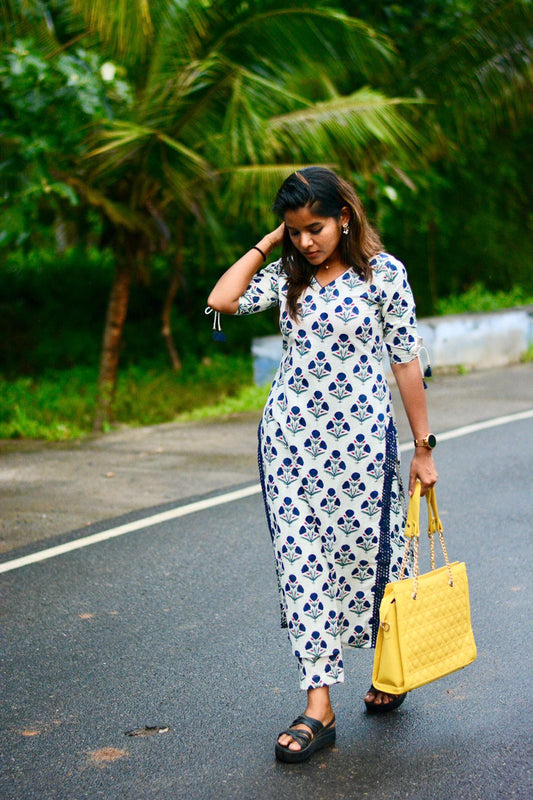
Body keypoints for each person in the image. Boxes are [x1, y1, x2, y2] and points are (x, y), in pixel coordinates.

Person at [207, 166, 438, 763]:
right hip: (288, 448)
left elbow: (406, 362)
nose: (306, 241)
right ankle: (319, 707)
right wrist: (268, 243)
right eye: (295, 231)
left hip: (362, 451)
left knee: (376, 557)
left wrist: (423, 447)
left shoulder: (383, 276)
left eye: (315, 227)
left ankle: (391, 669)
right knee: (302, 565)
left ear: (345, 217)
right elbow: (222, 299)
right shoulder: (289, 277)